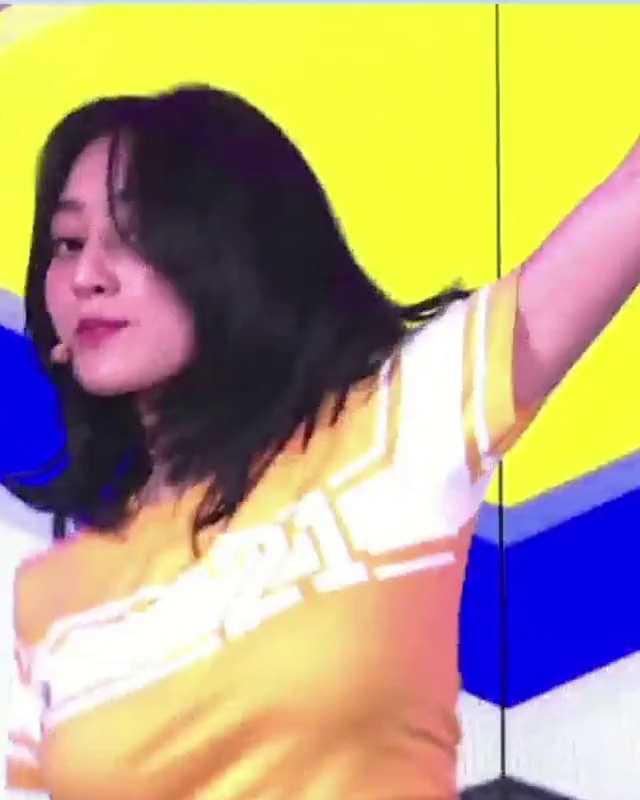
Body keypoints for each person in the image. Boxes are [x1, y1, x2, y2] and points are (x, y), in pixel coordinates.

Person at [3, 84, 638, 800]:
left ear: (233, 251)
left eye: (134, 236)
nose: (86, 276)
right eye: (68, 243)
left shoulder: (403, 420)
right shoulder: (49, 592)